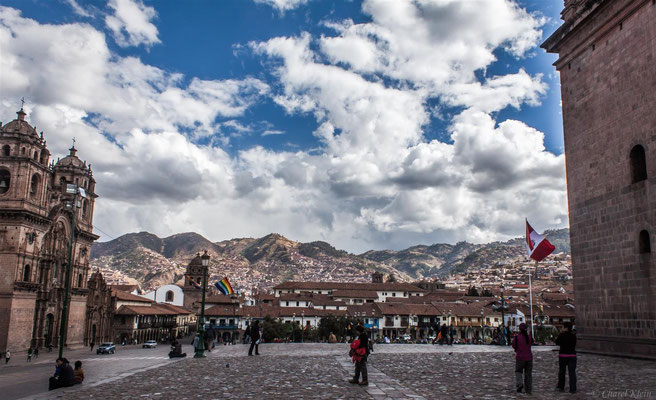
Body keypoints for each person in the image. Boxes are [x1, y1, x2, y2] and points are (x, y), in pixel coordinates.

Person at [512, 323, 534, 394]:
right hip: (529, 358)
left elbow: (514, 345)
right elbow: (531, 343)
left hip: (520, 357)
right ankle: (528, 389)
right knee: (528, 374)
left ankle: (520, 384)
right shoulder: (529, 337)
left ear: (519, 329)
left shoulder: (517, 337)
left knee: (518, 371)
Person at [555, 322, 577, 394]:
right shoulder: (574, 336)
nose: (562, 328)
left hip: (563, 355)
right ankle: (573, 389)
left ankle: (561, 386)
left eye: (563, 327)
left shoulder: (561, 335)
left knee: (562, 372)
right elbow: (574, 344)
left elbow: (557, 342)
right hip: (572, 356)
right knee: (572, 373)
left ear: (566, 328)